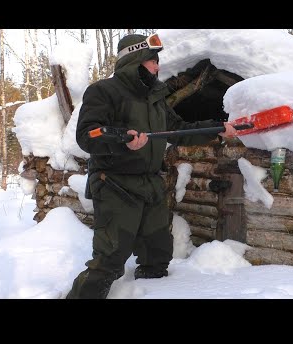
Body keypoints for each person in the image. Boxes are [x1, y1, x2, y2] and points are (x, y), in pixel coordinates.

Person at [66, 33, 237, 299]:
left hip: (150, 184)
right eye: (153, 61)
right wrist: (123, 140)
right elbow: (87, 135)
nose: (158, 67)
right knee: (110, 260)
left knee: (157, 254)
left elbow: (178, 130)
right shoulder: (103, 91)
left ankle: (150, 293)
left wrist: (216, 129)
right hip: (115, 184)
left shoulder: (155, 97)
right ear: (135, 60)